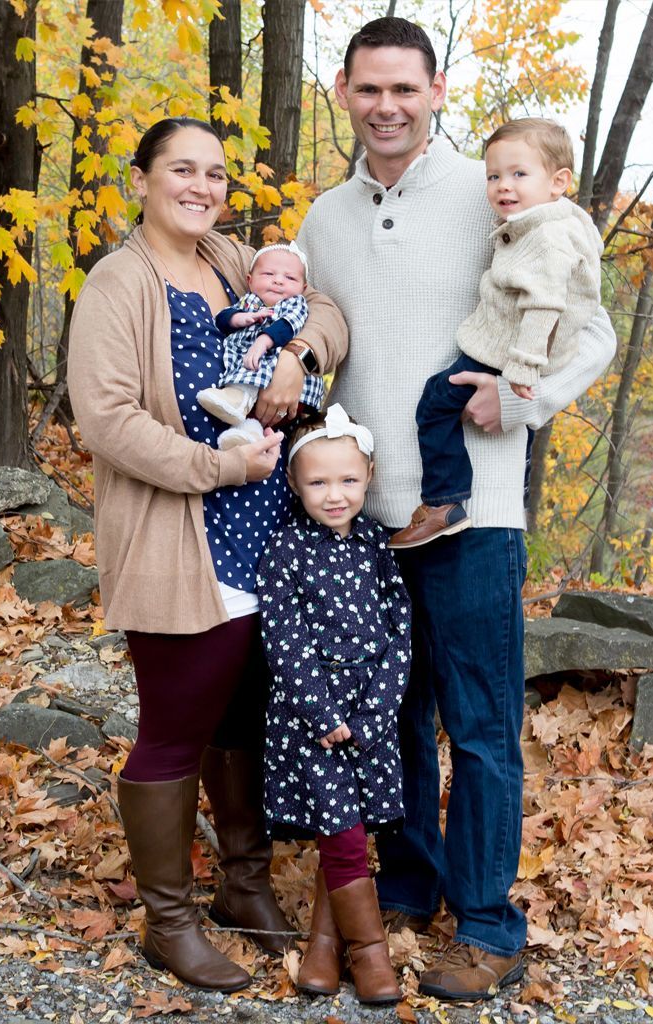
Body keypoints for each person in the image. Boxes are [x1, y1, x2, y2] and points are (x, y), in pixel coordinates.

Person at [296, 17, 617, 1002]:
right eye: (369, 89)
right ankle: (406, 883)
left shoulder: (495, 198)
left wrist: (521, 398)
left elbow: (592, 333)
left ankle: (487, 924)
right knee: (391, 716)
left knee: (478, 728)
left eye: (406, 88)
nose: (387, 106)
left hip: (475, 514)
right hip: (369, 520)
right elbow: (320, 328)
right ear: (346, 94)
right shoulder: (324, 220)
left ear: (436, 92)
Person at [68, 116, 348, 993]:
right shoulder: (120, 283)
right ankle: (170, 921)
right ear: (143, 178)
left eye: (217, 174)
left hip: (267, 529)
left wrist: (298, 354)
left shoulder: (235, 261)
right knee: (177, 729)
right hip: (181, 534)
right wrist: (211, 467)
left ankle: (244, 885)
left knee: (245, 717)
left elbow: (328, 311)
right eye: (182, 170)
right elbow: (106, 420)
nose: (202, 186)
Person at [390, 118, 603, 550]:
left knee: (434, 404)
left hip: (507, 351)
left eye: (519, 175)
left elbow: (545, 304)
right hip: (508, 347)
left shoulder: (547, 236)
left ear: (559, 181)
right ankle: (445, 501)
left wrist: (522, 372)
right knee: (439, 400)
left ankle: (445, 502)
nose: (503, 186)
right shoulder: (540, 224)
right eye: (493, 176)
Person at [257, 405, 410, 1006]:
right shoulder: (286, 549)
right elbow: (283, 640)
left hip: (369, 717)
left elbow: (401, 631)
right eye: (318, 482)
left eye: (348, 480)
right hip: (312, 721)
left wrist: (375, 714)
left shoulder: (377, 544)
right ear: (295, 484)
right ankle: (371, 955)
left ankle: (324, 947)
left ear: (368, 478)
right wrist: (323, 715)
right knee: (343, 833)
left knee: (347, 829)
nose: (335, 494)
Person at [197, 243, 326, 449]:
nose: (278, 280)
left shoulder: (295, 303)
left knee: (257, 364)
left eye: (290, 278)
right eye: (268, 274)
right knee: (251, 372)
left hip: (287, 391)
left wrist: (262, 342)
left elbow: (287, 326)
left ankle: (236, 400)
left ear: (302, 288)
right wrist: (240, 318)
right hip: (260, 381)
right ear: (250, 280)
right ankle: (248, 433)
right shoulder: (249, 301)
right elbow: (222, 318)